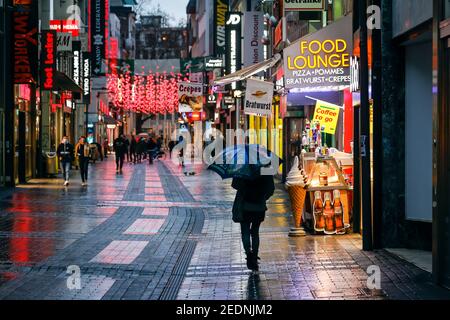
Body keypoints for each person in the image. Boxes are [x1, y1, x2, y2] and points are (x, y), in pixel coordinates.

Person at [231, 171, 275, 272]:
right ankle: (254, 256)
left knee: (245, 231)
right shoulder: (265, 167)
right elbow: (271, 189)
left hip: (245, 205)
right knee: (255, 232)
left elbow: (235, 184)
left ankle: (249, 254)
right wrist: (263, 197)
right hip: (259, 206)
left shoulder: (242, 166)